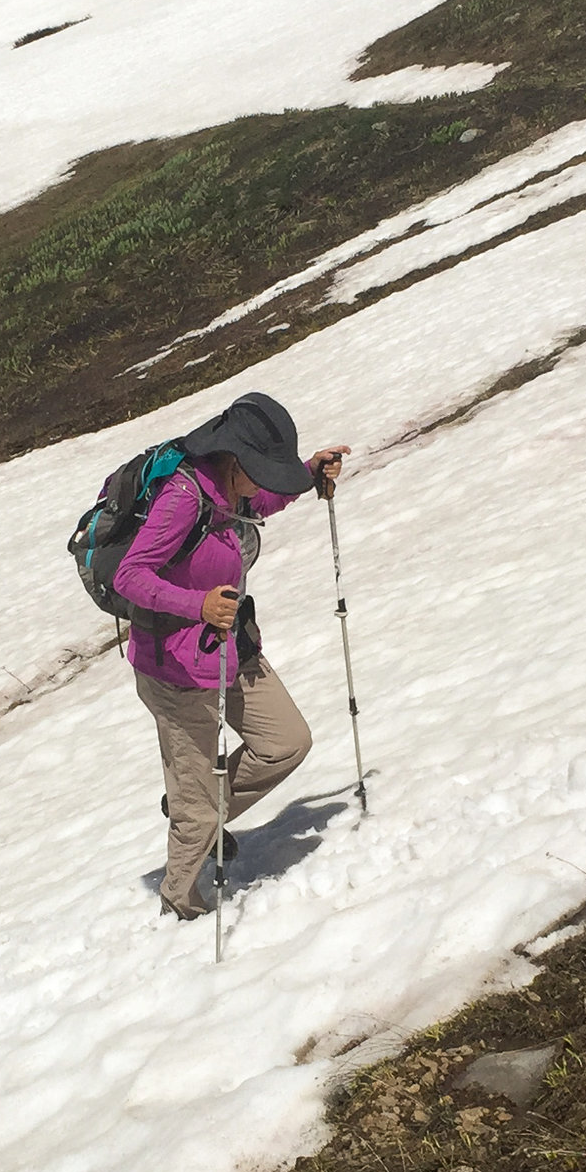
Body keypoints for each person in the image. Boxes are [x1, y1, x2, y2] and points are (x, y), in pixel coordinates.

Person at [114, 392, 347, 920]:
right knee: (198, 809)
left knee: (286, 742)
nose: (267, 482)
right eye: (262, 470)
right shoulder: (181, 497)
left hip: (228, 648)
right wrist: (195, 604)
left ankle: (191, 809)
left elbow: (259, 503)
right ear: (235, 459)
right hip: (173, 668)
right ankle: (181, 898)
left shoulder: (232, 489)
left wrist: (308, 474)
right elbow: (129, 576)